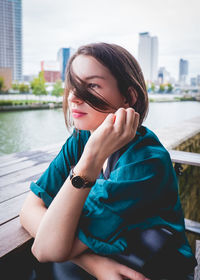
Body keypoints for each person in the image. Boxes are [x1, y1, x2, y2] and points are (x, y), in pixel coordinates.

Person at [20, 42, 196, 280]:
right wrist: (94, 264)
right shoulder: (82, 138)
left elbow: (45, 249)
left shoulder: (144, 164)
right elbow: (29, 209)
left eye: (91, 85)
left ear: (128, 96)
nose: (73, 97)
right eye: (73, 85)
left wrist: (90, 158)